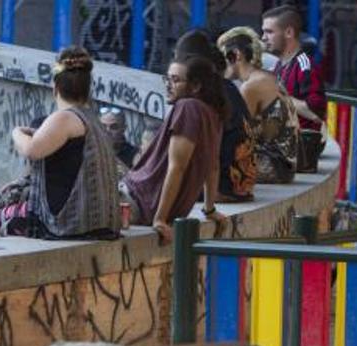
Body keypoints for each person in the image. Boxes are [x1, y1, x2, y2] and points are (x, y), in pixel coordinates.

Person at [0, 46, 120, 240]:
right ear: (88, 89)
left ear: (56, 88)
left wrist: (17, 132)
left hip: (69, 225)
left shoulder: (64, 118)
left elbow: (31, 150)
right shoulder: (94, 122)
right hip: (100, 224)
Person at [121, 55, 230, 244]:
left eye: (176, 80)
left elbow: (177, 167)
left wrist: (160, 219)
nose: (168, 85)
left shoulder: (187, 107)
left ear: (196, 86)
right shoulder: (213, 114)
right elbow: (213, 165)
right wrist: (210, 209)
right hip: (141, 204)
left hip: (135, 199)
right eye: (168, 79)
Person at [174, 28, 255, 202]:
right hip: (242, 186)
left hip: (222, 187)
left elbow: (200, 157)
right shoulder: (228, 87)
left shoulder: (203, 96)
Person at [220, 27, 300, 184]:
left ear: (236, 55)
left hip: (274, 166)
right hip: (284, 165)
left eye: (223, 59)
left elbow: (239, 133)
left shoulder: (251, 87)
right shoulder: (265, 77)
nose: (221, 66)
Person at [261, 5, 326, 131]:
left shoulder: (304, 66)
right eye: (263, 32)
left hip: (300, 146)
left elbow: (316, 113)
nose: (263, 37)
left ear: (289, 33)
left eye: (269, 32)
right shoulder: (278, 65)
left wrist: (277, 96)